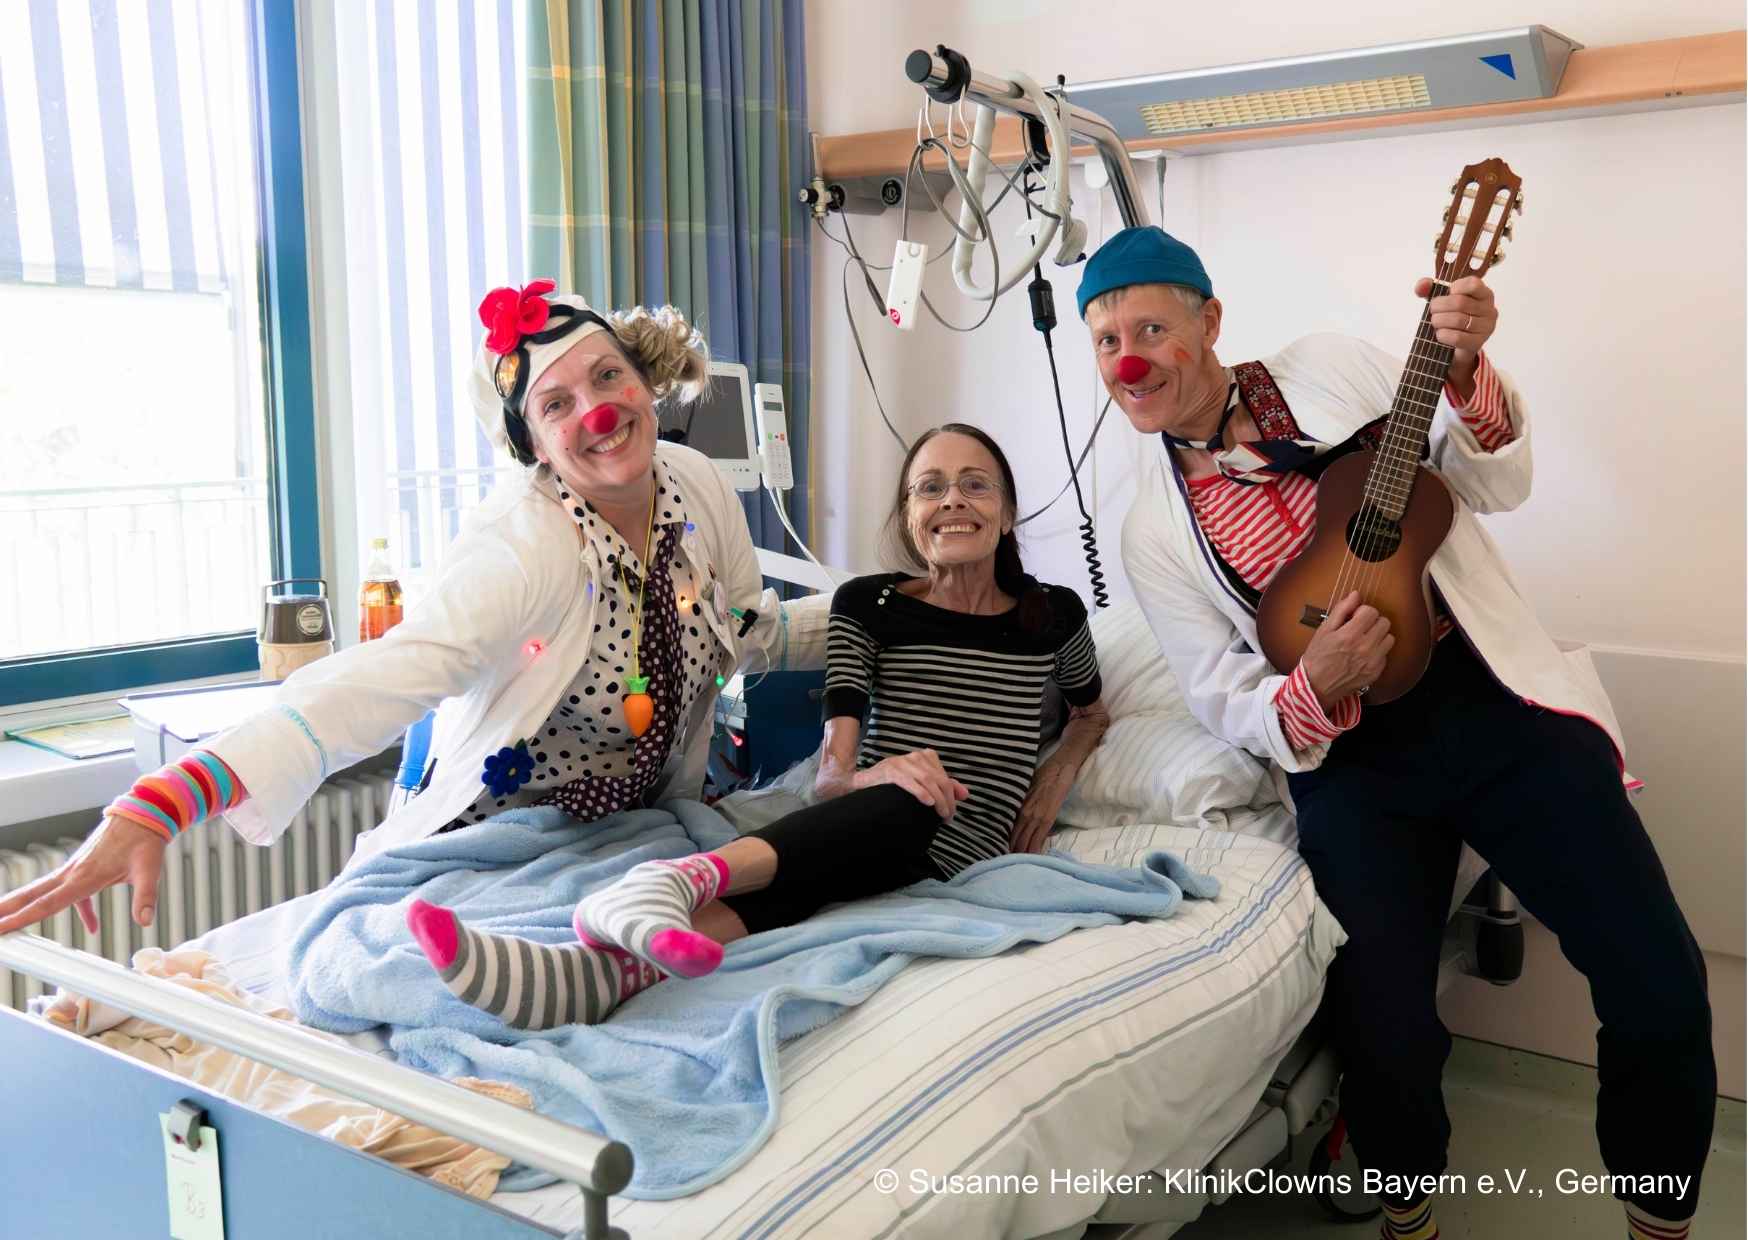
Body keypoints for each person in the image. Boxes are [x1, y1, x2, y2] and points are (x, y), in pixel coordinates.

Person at [1080, 226, 1713, 1240]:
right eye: (1105, 336)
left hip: (1492, 703)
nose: (1128, 357)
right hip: (1349, 756)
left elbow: (1492, 483)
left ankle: (1659, 1214)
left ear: (1208, 322)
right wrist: (1308, 688)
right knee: (1381, 1022)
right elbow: (1210, 688)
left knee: (1657, 979)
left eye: (1150, 325)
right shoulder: (1149, 524)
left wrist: (1463, 372)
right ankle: (1405, 1207)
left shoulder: (1331, 367)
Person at [0, 281, 829, 980]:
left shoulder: (694, 486)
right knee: (415, 968)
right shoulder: (526, 545)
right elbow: (387, 677)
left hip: (634, 834)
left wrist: (894, 609)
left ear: (645, 382)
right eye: (558, 404)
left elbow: (747, 629)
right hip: (497, 838)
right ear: (532, 443)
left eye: (610, 376)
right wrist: (164, 801)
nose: (599, 411)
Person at [407, 422, 1113, 1027]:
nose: (952, 499)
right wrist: (879, 774)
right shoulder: (869, 606)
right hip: (872, 815)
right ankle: (594, 969)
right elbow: (834, 781)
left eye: (975, 484)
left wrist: (1057, 772)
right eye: (929, 487)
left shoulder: (1053, 614)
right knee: (865, 830)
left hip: (967, 844)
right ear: (907, 516)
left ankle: (656, 902)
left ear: (1009, 512)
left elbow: (1089, 712)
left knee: (855, 841)